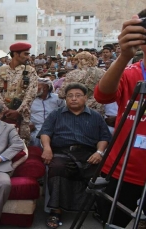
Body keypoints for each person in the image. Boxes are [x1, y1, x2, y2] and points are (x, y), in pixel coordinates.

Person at [93, 10, 146, 228]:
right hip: (123, 169)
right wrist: (124, 55)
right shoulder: (130, 72)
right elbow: (102, 95)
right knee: (114, 223)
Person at [38, 83, 111, 229]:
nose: (73, 99)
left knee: (102, 172)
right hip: (62, 152)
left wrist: (99, 152)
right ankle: (55, 211)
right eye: (70, 96)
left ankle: (99, 210)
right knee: (57, 167)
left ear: (86, 98)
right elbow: (45, 132)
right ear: (65, 98)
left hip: (88, 153)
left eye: (78, 95)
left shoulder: (96, 116)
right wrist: (47, 148)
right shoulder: (56, 114)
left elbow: (105, 137)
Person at [0, 42, 38, 145]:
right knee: (0, 141)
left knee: (22, 142)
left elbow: (31, 93)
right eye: (25, 54)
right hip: (2, 115)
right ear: (16, 54)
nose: (28, 57)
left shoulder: (30, 71)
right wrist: (6, 110)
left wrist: (19, 111)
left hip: (22, 115)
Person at [29, 78, 65, 147]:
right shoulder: (30, 100)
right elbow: (25, 115)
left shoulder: (58, 99)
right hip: (36, 128)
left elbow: (64, 113)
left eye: (36, 86)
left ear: (45, 87)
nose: (34, 88)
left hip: (55, 128)